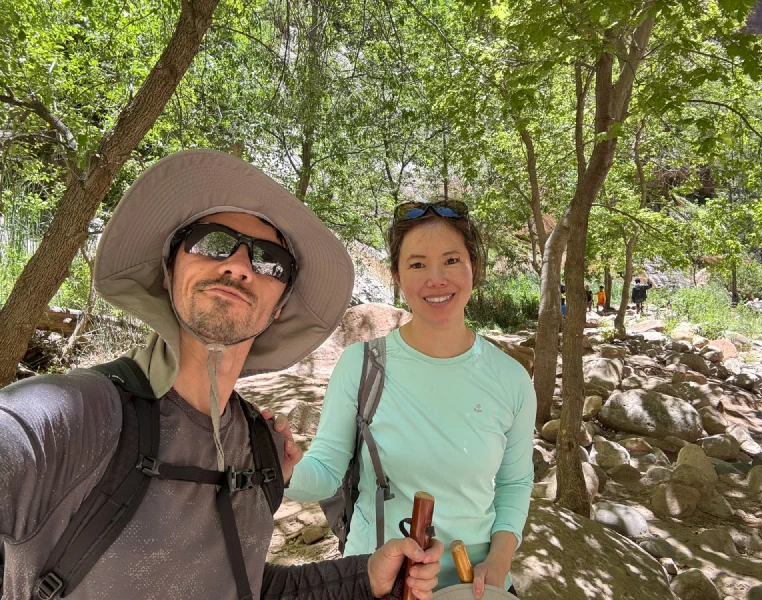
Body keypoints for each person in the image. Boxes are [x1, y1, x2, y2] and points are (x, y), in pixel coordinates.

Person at [0, 150, 443, 600]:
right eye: (212, 242)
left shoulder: (258, 448)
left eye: (269, 260)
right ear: (170, 271)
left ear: (278, 309)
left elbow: (244, 585)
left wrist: (365, 577)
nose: (238, 266)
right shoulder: (61, 419)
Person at [284, 200, 536, 598]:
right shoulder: (362, 366)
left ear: (475, 268)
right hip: (379, 578)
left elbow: (515, 481)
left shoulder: (511, 379)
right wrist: (280, 471)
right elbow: (326, 471)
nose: (435, 279)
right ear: (398, 277)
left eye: (451, 260)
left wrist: (501, 558)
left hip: (472, 584)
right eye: (417, 264)